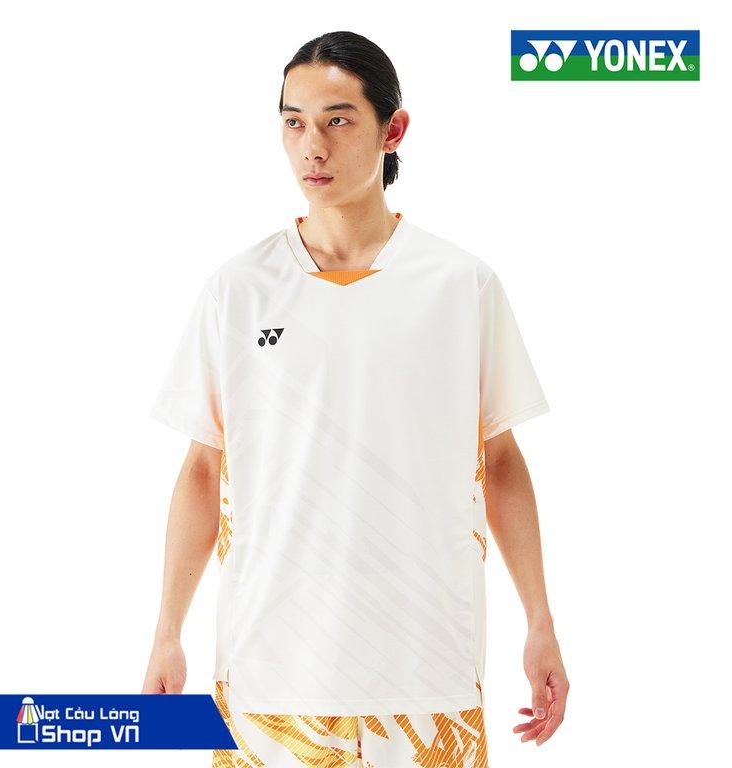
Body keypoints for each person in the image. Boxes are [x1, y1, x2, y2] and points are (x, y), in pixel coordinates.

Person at [143, 30, 569, 768]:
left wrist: (540, 623)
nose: (313, 147)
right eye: (294, 122)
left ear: (392, 129)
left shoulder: (459, 285)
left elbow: (500, 460)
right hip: (271, 682)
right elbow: (204, 470)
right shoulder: (238, 290)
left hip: (427, 682)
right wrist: (166, 633)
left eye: (338, 121)